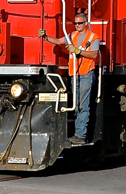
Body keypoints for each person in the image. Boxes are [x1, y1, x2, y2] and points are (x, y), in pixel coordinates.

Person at [38, 12, 100, 145]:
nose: (77, 25)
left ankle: (80, 135)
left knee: (83, 106)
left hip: (86, 74)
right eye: (75, 23)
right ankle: (78, 133)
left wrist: (78, 51)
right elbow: (59, 41)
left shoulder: (93, 37)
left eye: (79, 23)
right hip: (74, 74)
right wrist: (46, 37)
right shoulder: (72, 35)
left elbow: (94, 55)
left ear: (85, 23)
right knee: (76, 105)